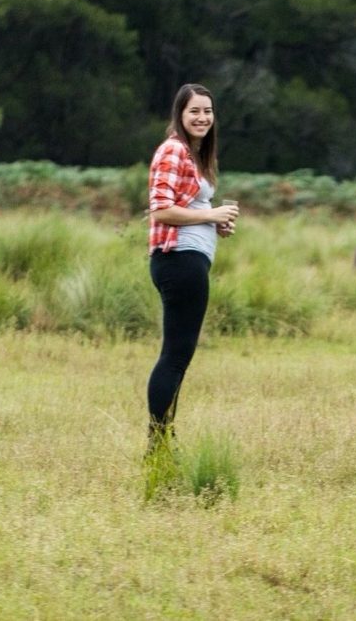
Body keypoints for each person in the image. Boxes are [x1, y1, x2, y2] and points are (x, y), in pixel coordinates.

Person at [145, 83, 239, 452]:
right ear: (179, 116)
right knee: (175, 355)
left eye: (208, 112)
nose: (202, 118)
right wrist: (211, 212)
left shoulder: (194, 155)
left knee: (179, 355)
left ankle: (164, 437)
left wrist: (213, 222)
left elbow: (187, 209)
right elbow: (161, 209)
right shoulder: (172, 150)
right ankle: (158, 442)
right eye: (194, 112)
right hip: (178, 259)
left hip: (189, 259)